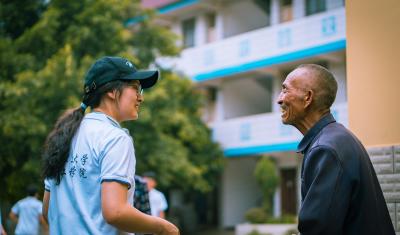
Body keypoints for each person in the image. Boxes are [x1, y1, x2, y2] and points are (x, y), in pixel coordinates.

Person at [42, 56, 179, 235]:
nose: (140, 98)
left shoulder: (64, 135)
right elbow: (115, 213)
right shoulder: (114, 138)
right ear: (112, 91)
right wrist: (165, 227)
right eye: (136, 88)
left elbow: (47, 211)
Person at [277, 64, 395, 235]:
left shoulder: (326, 150)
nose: (279, 99)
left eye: (285, 90)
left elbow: (318, 230)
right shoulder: (336, 139)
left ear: (307, 97)